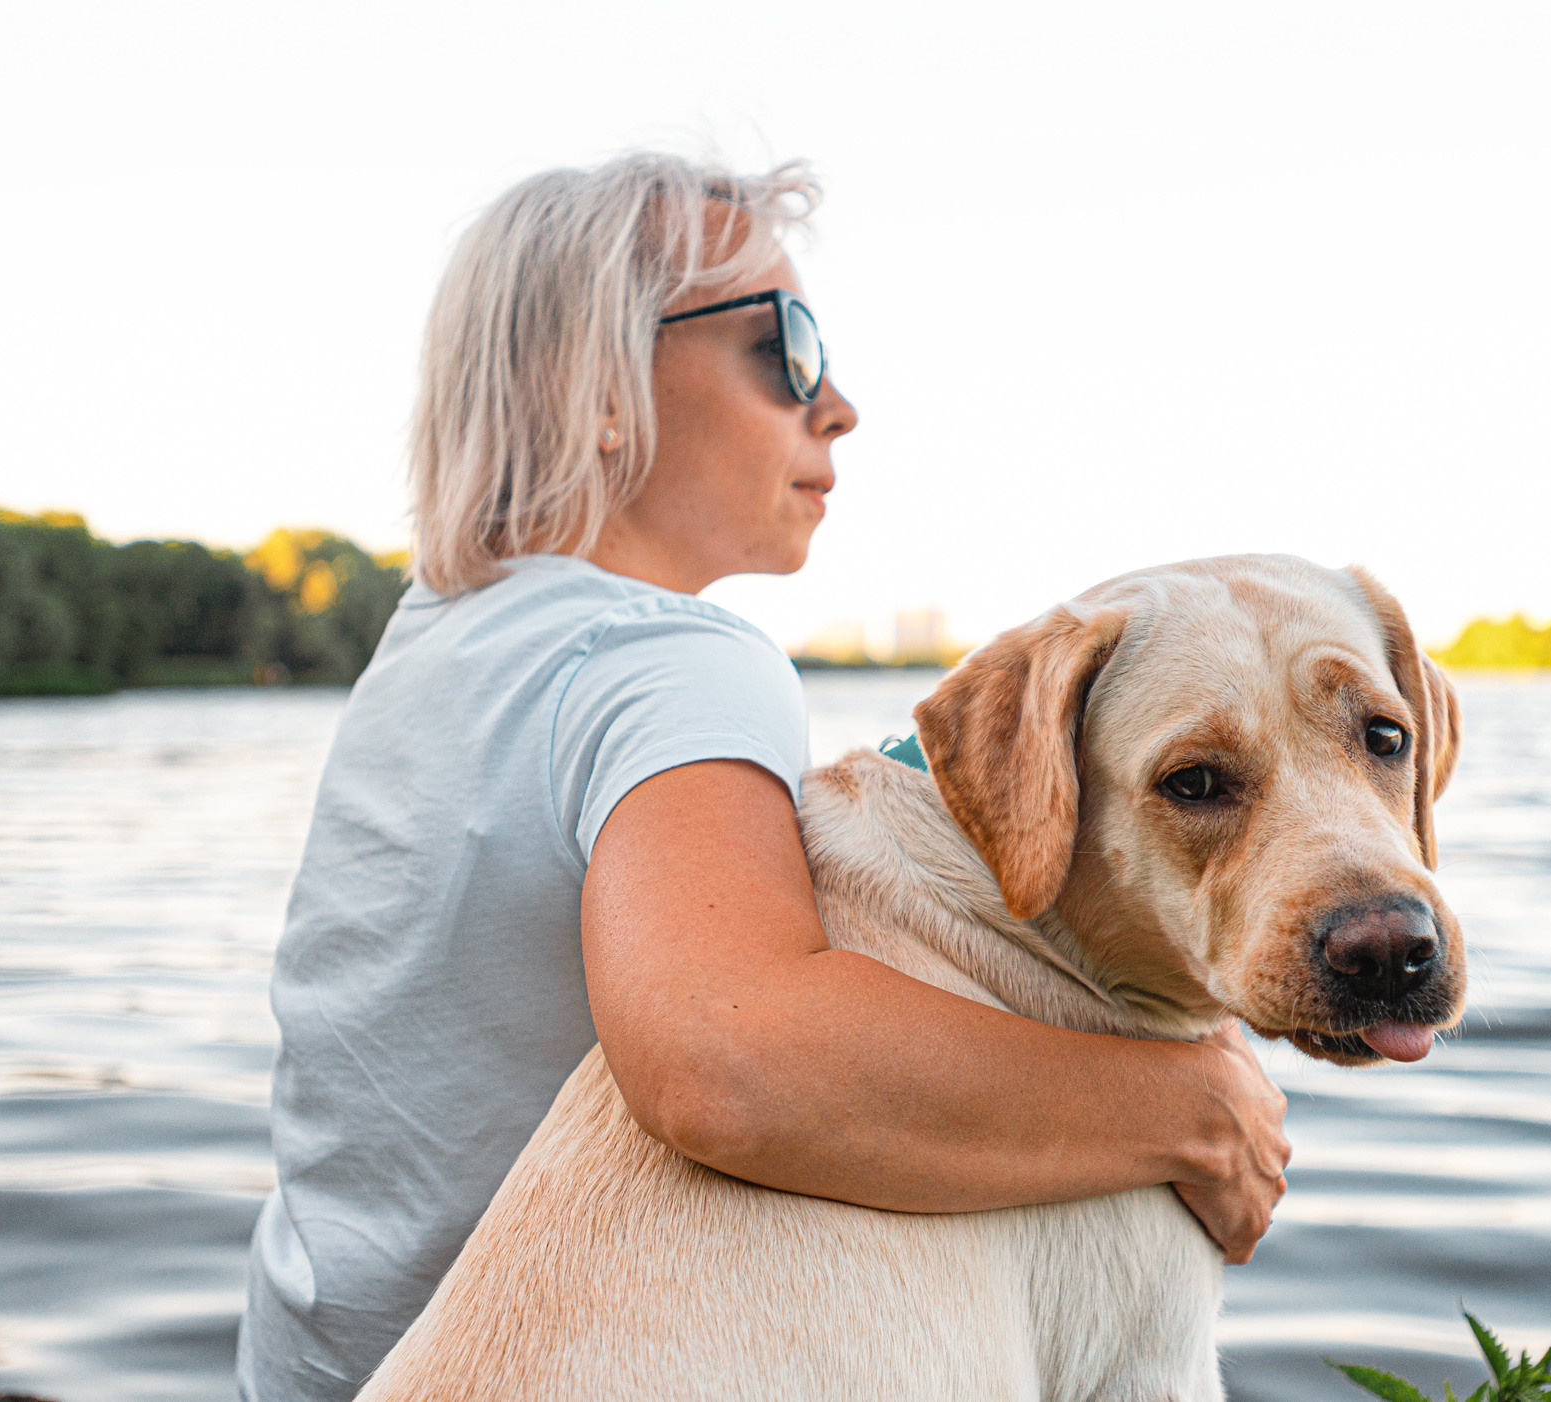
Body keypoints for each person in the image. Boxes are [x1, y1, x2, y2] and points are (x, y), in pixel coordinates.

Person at [236, 151, 1291, 1401]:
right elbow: (725, 1057)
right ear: (596, 388)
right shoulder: (667, 659)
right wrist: (1193, 1106)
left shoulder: (430, 645)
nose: (837, 404)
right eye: (786, 346)